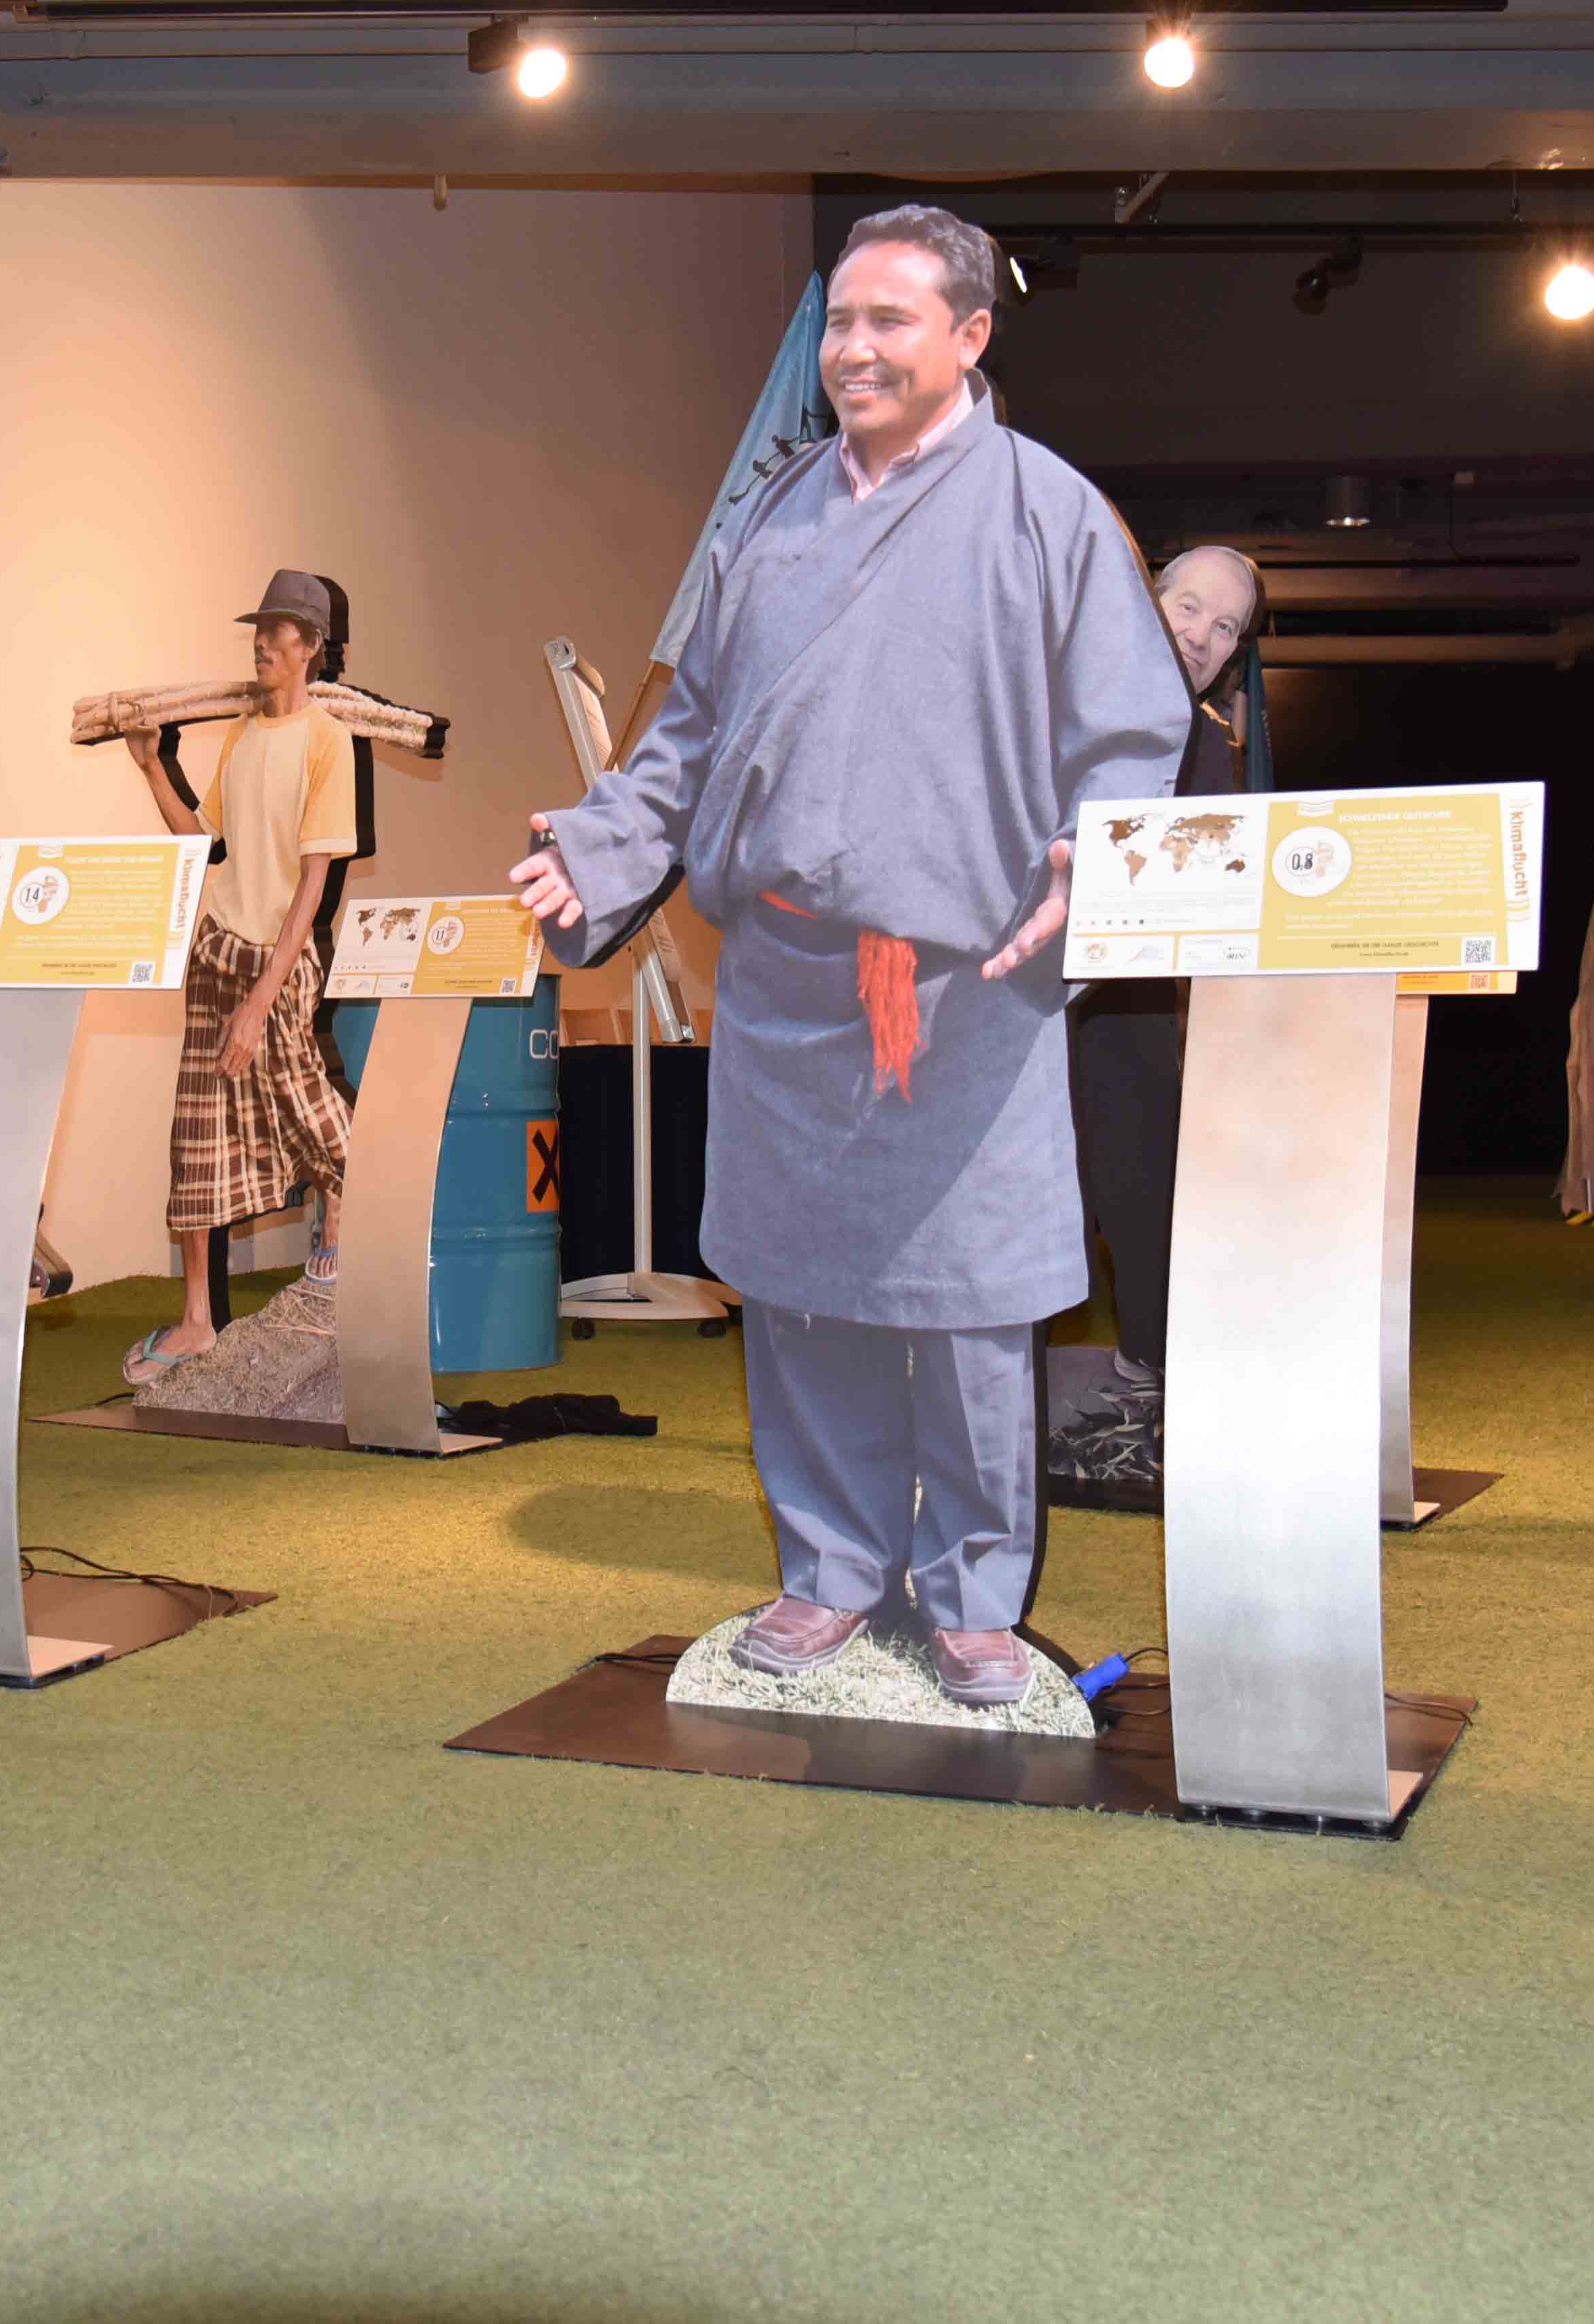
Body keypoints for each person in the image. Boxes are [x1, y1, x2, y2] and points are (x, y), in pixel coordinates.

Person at [510, 205, 1192, 1706]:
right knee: (800, 1290)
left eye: (891, 321)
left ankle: (972, 1594)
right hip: (786, 977)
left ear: (970, 334)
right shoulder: (770, 519)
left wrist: (1094, 857)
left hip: (970, 982)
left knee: (968, 1304)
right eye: (840, 322)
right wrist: (600, 849)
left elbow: (1131, 737)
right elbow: (687, 735)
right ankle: (826, 1571)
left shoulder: (1048, 513)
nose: (855, 350)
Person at [1056, 543, 1268, 1485]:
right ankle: (978, 1399)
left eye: (1226, 627)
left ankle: (1150, 1379)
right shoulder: (1054, 686)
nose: (1202, 635)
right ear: (1149, 596)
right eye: (1189, 607)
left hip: (1130, 999)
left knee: (1145, 1186)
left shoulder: (1211, 740)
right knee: (1020, 1203)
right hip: (1014, 994)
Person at [119, 570, 362, 1385]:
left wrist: (262, 1000)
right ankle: (197, 1319)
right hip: (217, 949)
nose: (261, 641)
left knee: (310, 1110)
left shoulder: (327, 741)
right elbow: (202, 843)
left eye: (278, 628)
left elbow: (312, 885)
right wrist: (151, 766)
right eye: (258, 627)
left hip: (276, 964)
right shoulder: (243, 734)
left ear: (311, 645)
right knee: (196, 1135)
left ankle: (357, 1223)